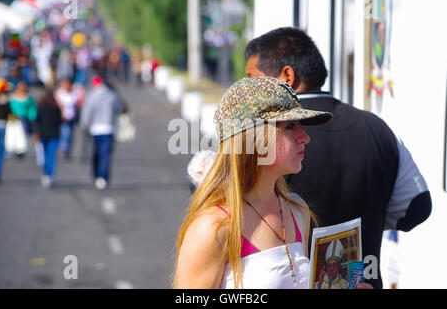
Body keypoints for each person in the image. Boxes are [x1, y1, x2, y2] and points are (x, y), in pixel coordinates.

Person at [244, 27, 432, 289]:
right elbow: (416, 209)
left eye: (252, 80)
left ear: (287, 76)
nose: (247, 92)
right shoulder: (379, 129)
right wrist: (367, 216)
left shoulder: (262, 139)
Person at [174, 76, 336, 289]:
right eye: (289, 127)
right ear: (253, 139)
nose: (304, 137)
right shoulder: (213, 227)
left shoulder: (297, 210)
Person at [80, 76, 124, 190]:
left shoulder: (91, 96)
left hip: (95, 129)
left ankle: (97, 174)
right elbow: (120, 108)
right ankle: (102, 176)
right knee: (105, 154)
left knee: (97, 152)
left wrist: (84, 125)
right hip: (108, 127)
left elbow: (86, 112)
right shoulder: (112, 95)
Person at [34, 90, 63, 188]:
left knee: (45, 155)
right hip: (54, 134)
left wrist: (37, 133)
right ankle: (50, 175)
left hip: (44, 134)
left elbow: (37, 121)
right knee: (52, 155)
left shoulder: (41, 108)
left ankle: (45, 174)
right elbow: (60, 121)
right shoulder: (56, 108)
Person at [54, 78, 79, 159]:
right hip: (64, 117)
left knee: (70, 134)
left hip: (72, 117)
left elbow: (77, 103)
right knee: (65, 133)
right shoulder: (60, 93)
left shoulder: (73, 93)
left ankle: (68, 149)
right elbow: (59, 105)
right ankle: (64, 149)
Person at [0, 78, 12, 182]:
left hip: (2, 126)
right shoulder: (6, 100)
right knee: (0, 151)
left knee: (0, 151)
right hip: (2, 126)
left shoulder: (6, 101)